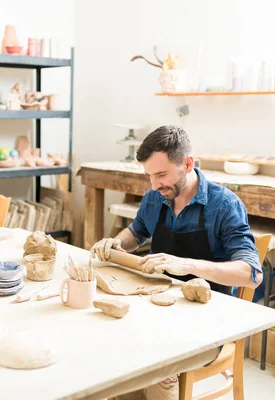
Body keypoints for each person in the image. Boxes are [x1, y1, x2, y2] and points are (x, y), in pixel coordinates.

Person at [90, 125, 262, 400]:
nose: (155, 184)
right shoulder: (155, 197)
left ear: (188, 163)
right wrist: (117, 243)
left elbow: (251, 274)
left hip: (208, 322)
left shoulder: (224, 205)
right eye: (149, 176)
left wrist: (189, 265)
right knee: (108, 343)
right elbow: (136, 233)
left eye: (161, 174)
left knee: (158, 361)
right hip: (159, 307)